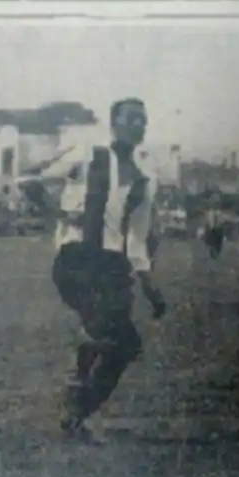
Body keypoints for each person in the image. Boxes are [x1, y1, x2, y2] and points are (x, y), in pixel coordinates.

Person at [49, 98, 165, 441]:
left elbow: (137, 238)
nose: (138, 126)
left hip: (114, 265)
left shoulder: (146, 178)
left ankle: (78, 412)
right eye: (131, 119)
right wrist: (62, 215)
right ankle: (75, 396)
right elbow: (30, 180)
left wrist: (149, 285)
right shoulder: (88, 154)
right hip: (77, 258)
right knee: (103, 332)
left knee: (127, 345)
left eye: (143, 120)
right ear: (114, 123)